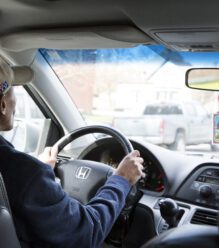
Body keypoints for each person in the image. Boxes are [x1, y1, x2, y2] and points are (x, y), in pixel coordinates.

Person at [0, 58, 145, 248]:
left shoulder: (23, 172)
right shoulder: (26, 173)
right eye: (13, 89)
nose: (15, 99)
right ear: (3, 104)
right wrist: (122, 179)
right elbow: (85, 234)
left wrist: (40, 169)